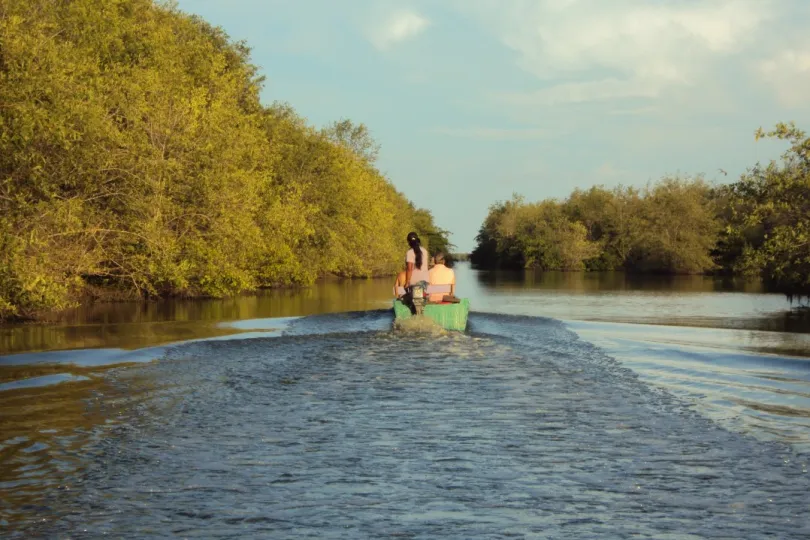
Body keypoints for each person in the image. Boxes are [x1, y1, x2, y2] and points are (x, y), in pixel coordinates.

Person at [404, 231, 430, 313]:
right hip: (424, 282)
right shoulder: (425, 251)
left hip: (414, 282)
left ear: (408, 242)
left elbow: (409, 268)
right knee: (420, 299)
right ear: (418, 240)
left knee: (407, 297)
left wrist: (407, 282)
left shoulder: (410, 252)